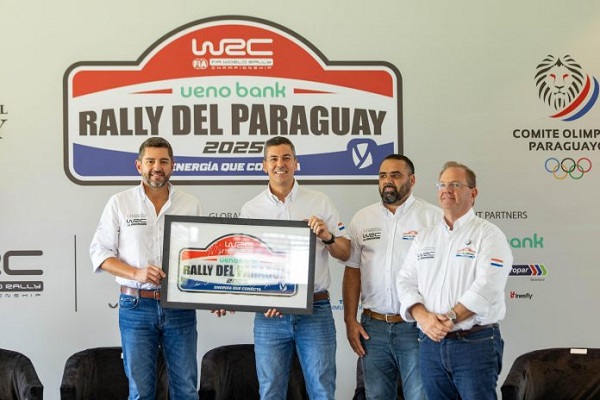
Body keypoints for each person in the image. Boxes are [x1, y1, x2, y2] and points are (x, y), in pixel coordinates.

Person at [90, 137, 202, 400]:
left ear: (173, 165)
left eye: (163, 161)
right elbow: (100, 253)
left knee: (186, 390)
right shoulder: (120, 202)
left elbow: (201, 258)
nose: (157, 167)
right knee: (140, 392)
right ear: (139, 165)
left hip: (180, 306)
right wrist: (136, 273)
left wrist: (215, 294)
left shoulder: (191, 204)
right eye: (150, 161)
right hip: (136, 306)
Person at [240, 137, 350, 400]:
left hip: (315, 309)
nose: (280, 164)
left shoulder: (320, 201)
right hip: (269, 315)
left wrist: (327, 236)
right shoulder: (251, 209)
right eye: (274, 159)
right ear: (264, 165)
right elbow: (246, 266)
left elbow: (345, 252)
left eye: (286, 158)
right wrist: (260, 297)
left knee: (322, 390)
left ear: (296, 163)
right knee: (270, 391)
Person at [397, 161, 513, 400]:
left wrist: (449, 319)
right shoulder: (425, 237)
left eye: (455, 185)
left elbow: (487, 286)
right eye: (442, 184)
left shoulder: (489, 235)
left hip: (474, 343)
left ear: (473, 193)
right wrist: (422, 316)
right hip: (430, 344)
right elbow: (405, 280)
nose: (447, 190)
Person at [343, 154, 441, 400]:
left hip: (416, 327)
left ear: (412, 180)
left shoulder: (433, 218)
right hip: (372, 328)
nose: (388, 181)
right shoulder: (362, 218)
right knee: (376, 396)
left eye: (395, 175)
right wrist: (349, 320)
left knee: (420, 396)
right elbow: (352, 271)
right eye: (383, 176)